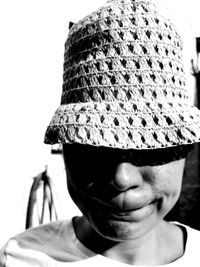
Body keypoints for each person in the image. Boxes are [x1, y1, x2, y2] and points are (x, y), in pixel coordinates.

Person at [1, 0, 200, 266]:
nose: (121, 178)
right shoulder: (20, 258)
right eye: (92, 143)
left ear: (184, 150)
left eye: (152, 143)